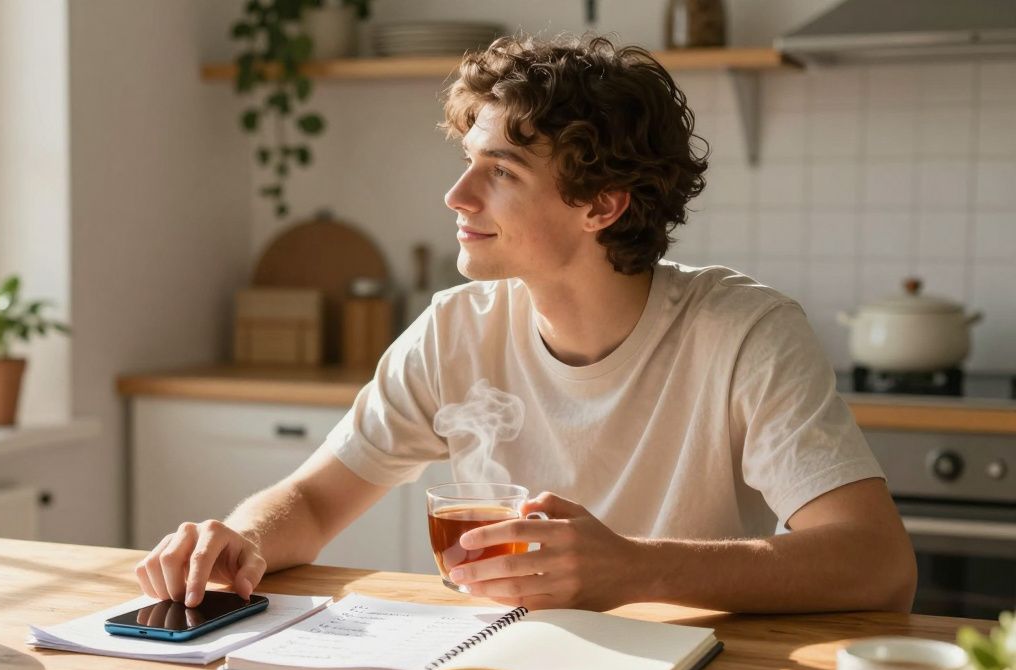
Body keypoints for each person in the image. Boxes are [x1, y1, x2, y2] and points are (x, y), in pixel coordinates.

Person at [135, 33, 917, 614]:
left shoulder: (744, 334)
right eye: (468, 162)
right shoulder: (453, 331)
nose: (458, 197)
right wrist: (240, 538)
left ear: (601, 204)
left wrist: (633, 569)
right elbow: (310, 504)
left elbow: (877, 562)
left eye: (501, 172)